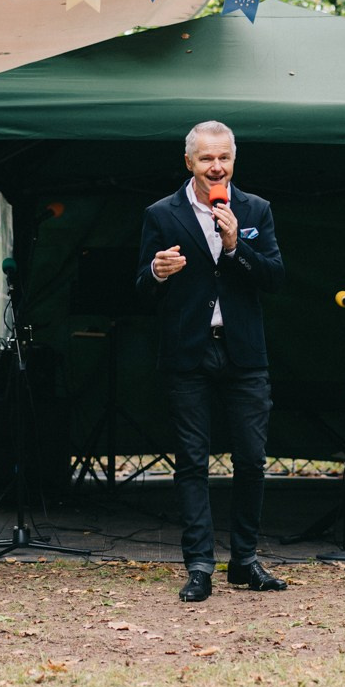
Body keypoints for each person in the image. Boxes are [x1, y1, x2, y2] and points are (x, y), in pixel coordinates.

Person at [137, 121, 286, 601]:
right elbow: (140, 287)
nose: (216, 166)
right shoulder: (161, 213)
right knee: (192, 464)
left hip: (244, 353)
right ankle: (199, 565)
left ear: (233, 160)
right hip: (188, 353)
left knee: (251, 460)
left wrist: (236, 247)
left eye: (223, 158)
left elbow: (274, 278)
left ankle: (244, 561)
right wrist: (156, 273)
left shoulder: (254, 210)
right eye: (206, 159)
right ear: (189, 163)